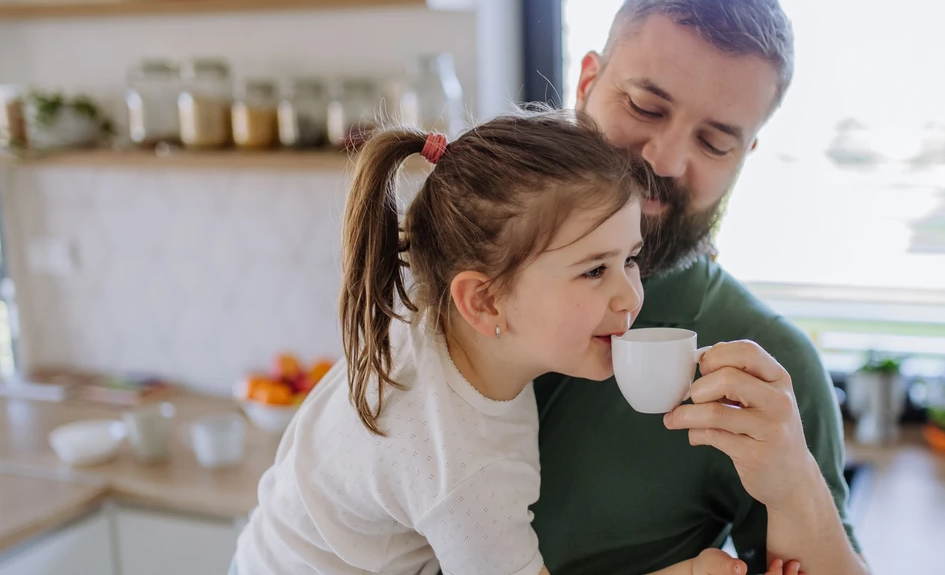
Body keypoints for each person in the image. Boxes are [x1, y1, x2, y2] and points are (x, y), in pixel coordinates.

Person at [231, 111, 791, 575]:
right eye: (594, 270)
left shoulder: (436, 314)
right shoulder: (465, 467)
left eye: (630, 259)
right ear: (484, 302)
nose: (630, 296)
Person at [532, 0, 868, 575]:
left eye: (714, 142)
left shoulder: (767, 370)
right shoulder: (452, 263)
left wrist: (795, 485)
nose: (664, 160)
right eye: (645, 107)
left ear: (745, 155)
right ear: (586, 83)